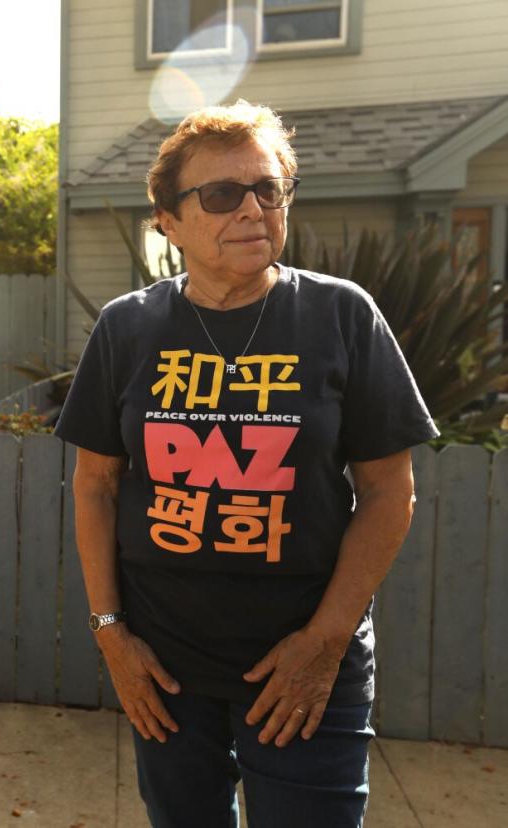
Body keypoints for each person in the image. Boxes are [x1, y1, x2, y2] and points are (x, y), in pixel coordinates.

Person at [53, 100, 438, 827]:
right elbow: (97, 486)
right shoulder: (128, 328)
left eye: (269, 190)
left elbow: (390, 493)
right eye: (224, 194)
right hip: (164, 667)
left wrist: (324, 645)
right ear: (168, 219)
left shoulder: (341, 317)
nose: (253, 209)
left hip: (302, 664)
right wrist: (111, 635)